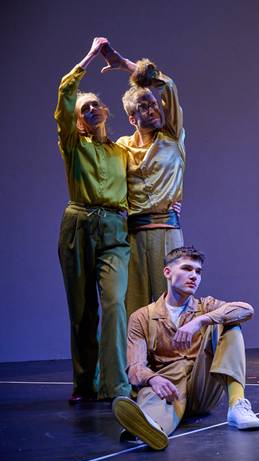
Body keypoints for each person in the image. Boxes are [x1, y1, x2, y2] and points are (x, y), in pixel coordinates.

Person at [113, 246, 259, 451]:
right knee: (151, 394)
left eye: (198, 272)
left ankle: (237, 405)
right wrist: (153, 379)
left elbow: (246, 309)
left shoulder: (205, 306)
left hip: (202, 390)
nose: (194, 276)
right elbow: (135, 367)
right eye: (187, 269)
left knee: (230, 324)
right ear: (167, 272)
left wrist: (200, 321)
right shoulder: (142, 317)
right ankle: (149, 428)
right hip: (168, 391)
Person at [55, 37, 131, 403]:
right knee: (83, 311)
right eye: (83, 108)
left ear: (105, 112)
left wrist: (171, 201)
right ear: (76, 119)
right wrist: (89, 55)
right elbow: (65, 93)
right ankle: (85, 383)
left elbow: (145, 181)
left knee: (114, 304)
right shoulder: (73, 145)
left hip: (115, 230)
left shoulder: (121, 151)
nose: (90, 110)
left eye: (95, 106)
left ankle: (116, 386)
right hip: (79, 225)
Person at [100, 46, 186, 315]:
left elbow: (168, 85)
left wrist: (127, 65)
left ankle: (174, 345)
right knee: (135, 307)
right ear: (132, 118)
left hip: (167, 230)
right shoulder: (122, 147)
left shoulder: (172, 137)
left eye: (153, 103)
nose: (153, 109)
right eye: (144, 107)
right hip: (134, 234)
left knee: (171, 302)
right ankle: (134, 346)